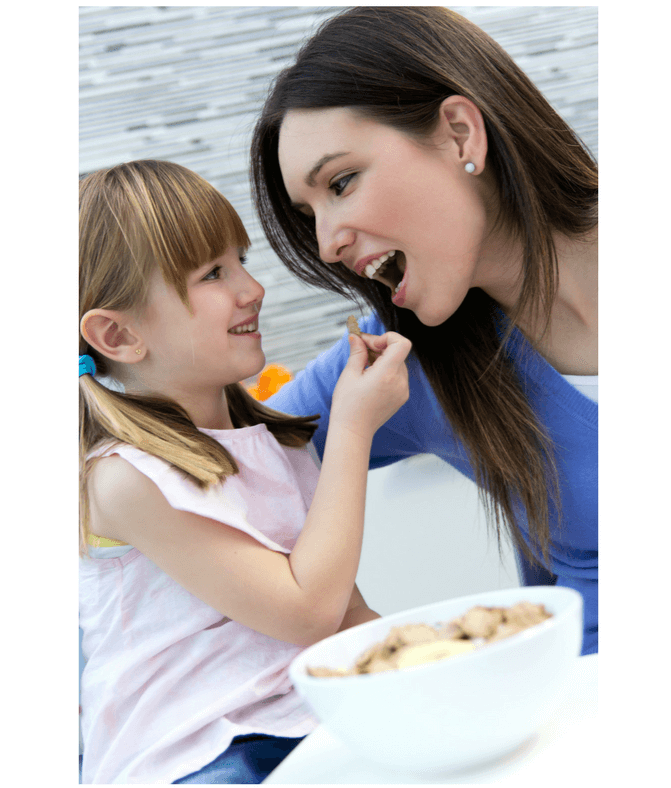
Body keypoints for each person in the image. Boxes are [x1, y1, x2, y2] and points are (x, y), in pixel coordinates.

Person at [251, 7, 599, 654]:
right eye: (310, 212)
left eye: (342, 182)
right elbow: (204, 462)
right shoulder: (404, 364)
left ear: (461, 135)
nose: (327, 245)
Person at [78, 159, 411, 783]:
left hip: (305, 721)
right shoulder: (125, 479)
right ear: (117, 334)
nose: (252, 288)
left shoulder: (277, 443)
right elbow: (304, 611)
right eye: (212, 274)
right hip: (193, 753)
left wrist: (432, 664)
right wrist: (352, 429)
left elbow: (343, 611)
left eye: (240, 260)